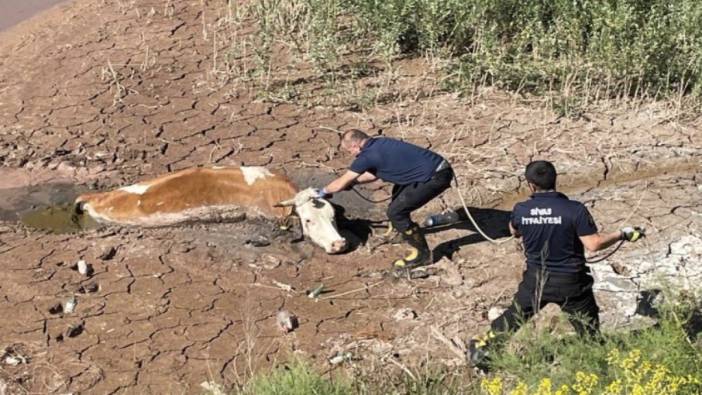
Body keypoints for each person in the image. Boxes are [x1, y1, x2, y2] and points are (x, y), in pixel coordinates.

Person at [467, 160, 644, 370]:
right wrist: (622, 234)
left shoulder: (521, 209)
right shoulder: (574, 210)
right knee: (588, 331)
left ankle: (481, 349)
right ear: (555, 180)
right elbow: (594, 244)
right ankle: (596, 367)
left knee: (513, 318)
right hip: (572, 283)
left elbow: (514, 230)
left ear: (530, 185)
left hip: (536, 281)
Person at [316, 129, 454, 269]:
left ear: (355, 146)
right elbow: (372, 175)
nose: (351, 155)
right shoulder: (381, 143)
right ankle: (400, 231)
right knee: (398, 192)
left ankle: (422, 256)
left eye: (349, 151)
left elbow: (341, 182)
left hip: (435, 177)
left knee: (396, 213)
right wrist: (352, 183)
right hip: (436, 168)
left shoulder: (367, 156)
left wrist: (322, 192)